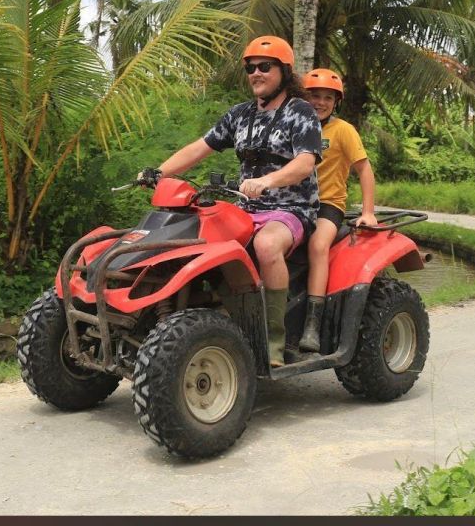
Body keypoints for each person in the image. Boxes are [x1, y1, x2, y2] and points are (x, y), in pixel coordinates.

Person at [137, 36, 323, 367]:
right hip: (245, 210)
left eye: (265, 67)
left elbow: (305, 163)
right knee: (194, 241)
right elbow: (199, 148)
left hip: (291, 209)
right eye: (250, 67)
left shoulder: (301, 111)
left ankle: (273, 341)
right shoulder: (239, 115)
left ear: (284, 71)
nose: (256, 73)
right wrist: (157, 172)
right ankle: (199, 326)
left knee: (266, 246)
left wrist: (267, 181)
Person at [297, 68, 378, 353]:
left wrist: (368, 211)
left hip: (327, 205)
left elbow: (364, 169)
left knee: (319, 245)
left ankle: (312, 325)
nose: (320, 102)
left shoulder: (343, 130)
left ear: (336, 102)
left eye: (327, 98)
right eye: (314, 96)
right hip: (290, 204)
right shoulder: (292, 125)